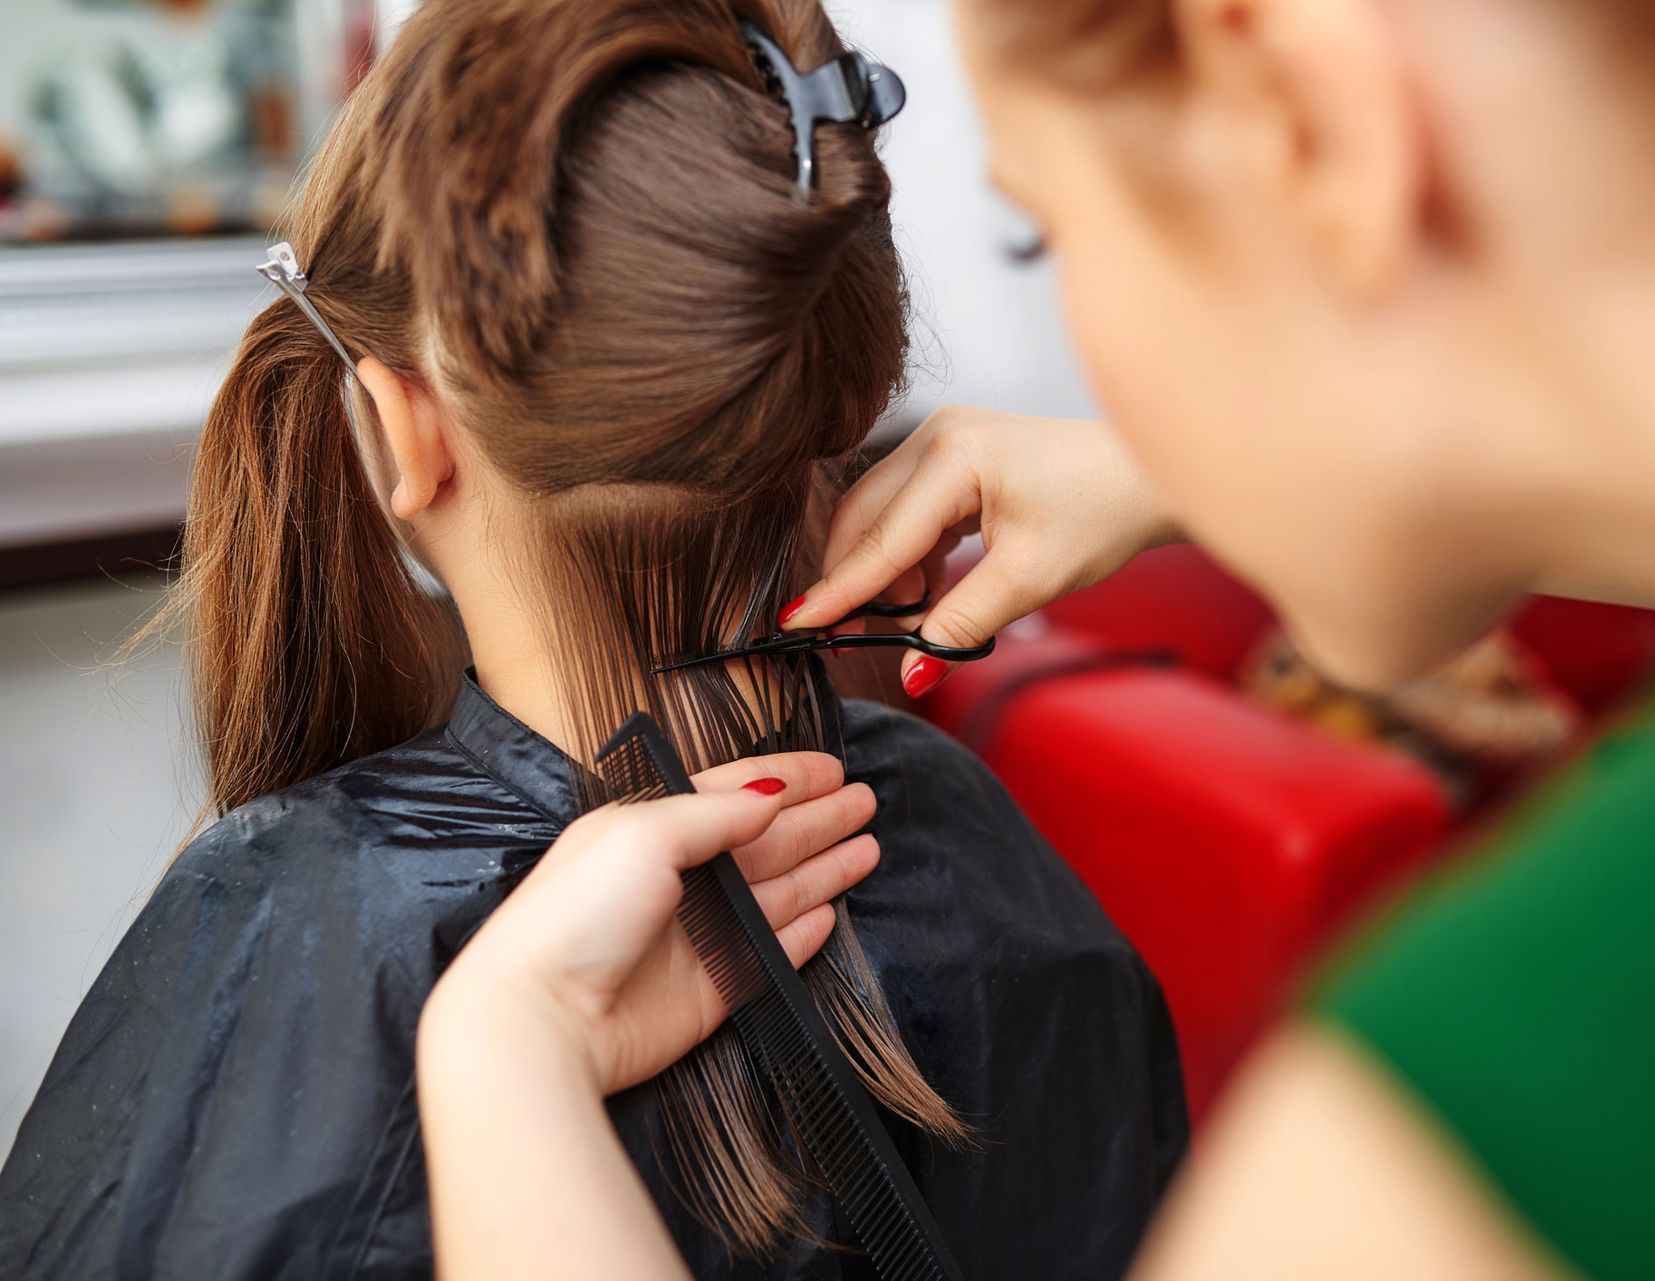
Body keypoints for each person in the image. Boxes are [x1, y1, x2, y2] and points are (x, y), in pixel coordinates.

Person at [415, 0, 1655, 1276]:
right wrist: (1190, 472)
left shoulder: (1519, 1125)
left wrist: (507, 1060)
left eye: (1036, 228)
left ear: (1300, 114)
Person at [0, 2, 1188, 1277]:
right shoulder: (989, 858)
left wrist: (510, 1043)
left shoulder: (284, 947)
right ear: (837, 385)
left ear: (406, 430)